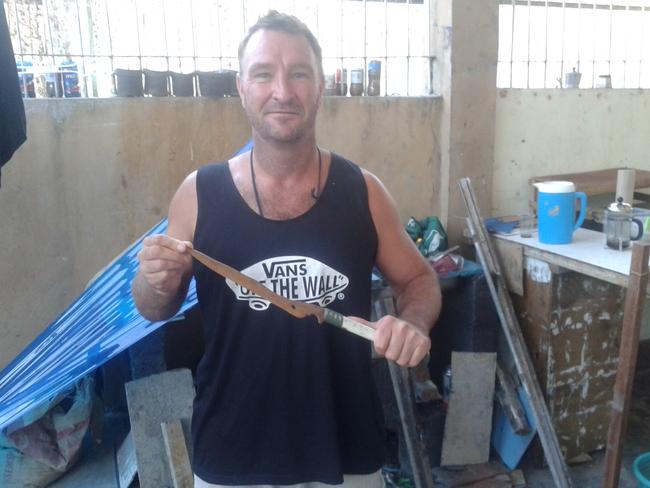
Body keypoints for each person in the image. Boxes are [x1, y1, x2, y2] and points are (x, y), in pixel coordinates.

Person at [132, 10, 441, 488]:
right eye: (263, 74)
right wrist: (154, 279)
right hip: (233, 455)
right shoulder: (198, 193)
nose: (282, 90)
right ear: (241, 87)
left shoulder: (363, 191)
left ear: (321, 86)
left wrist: (413, 323)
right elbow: (155, 308)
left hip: (345, 450)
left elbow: (418, 279)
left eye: (299, 73)